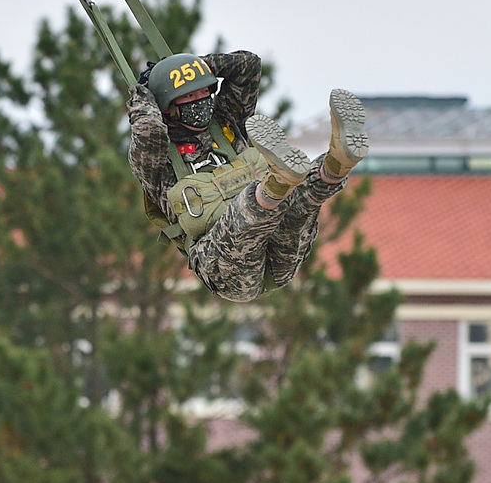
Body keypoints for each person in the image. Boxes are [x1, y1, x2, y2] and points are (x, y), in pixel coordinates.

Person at [126, 51, 368, 302]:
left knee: (301, 200)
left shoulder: (226, 122)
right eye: (189, 95)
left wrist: (197, 67)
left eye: (204, 91)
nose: (201, 100)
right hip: (227, 271)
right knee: (245, 211)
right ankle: (276, 183)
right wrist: (145, 94)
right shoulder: (157, 160)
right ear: (167, 106)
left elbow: (248, 67)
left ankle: (337, 161)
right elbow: (149, 129)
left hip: (281, 258)